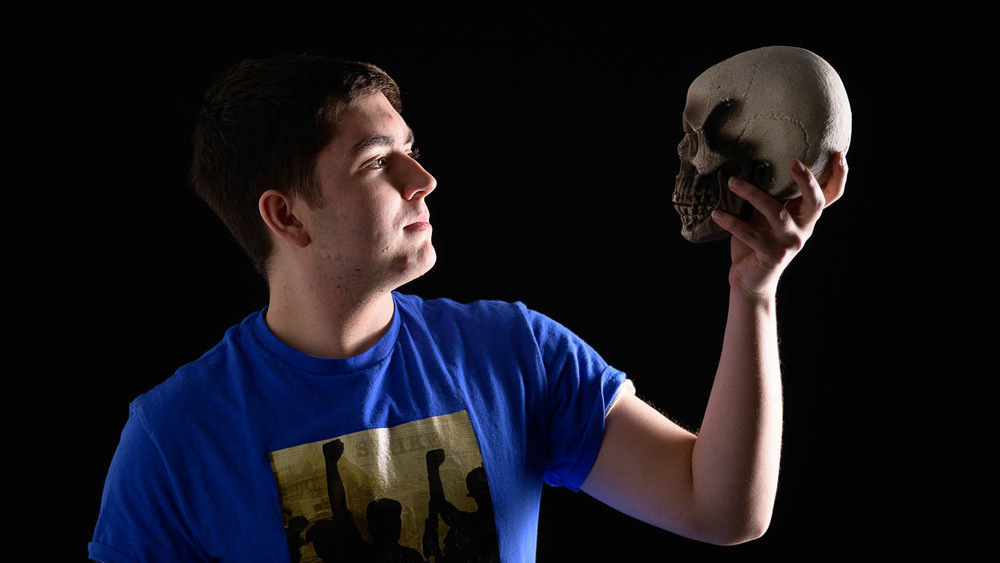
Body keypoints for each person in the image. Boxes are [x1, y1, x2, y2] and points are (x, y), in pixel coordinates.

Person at [89, 53, 847, 562]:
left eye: (410, 147)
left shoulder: (514, 353)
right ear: (286, 217)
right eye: (377, 163)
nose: (423, 178)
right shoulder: (173, 438)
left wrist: (755, 292)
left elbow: (718, 507)